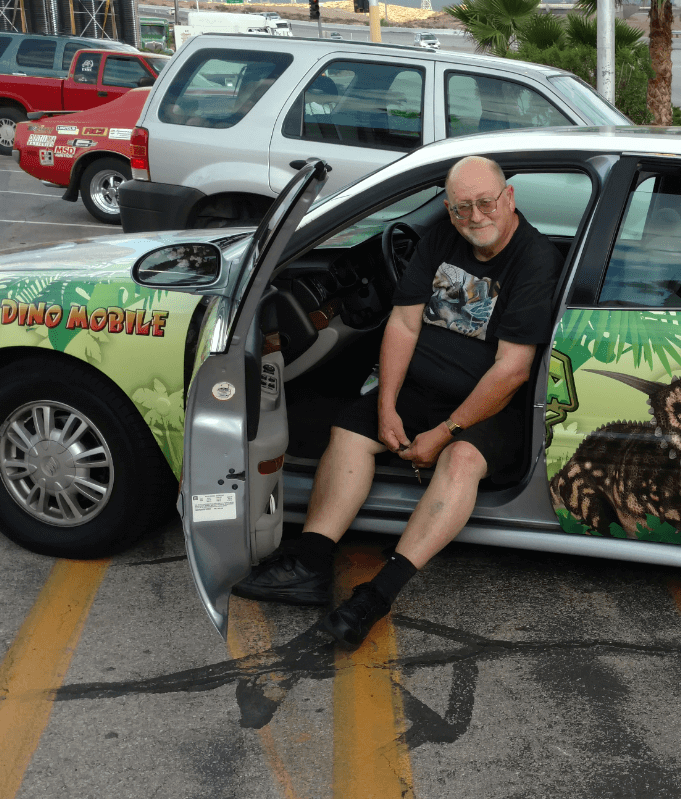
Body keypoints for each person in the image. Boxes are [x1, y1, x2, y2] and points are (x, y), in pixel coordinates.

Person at [232, 156, 560, 649]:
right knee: (350, 430)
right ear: (448, 209)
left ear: (509, 199)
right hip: (420, 391)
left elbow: (511, 370)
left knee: (463, 459)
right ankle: (311, 563)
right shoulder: (442, 240)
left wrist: (447, 431)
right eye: (462, 207)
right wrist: (385, 404)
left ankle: (376, 596)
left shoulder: (534, 260)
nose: (475, 217)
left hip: (491, 406)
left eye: (486, 203)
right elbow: (404, 324)